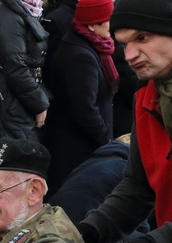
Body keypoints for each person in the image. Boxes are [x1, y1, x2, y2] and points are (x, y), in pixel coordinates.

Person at [78, 0, 172, 243]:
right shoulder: (147, 97)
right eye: (124, 43)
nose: (130, 55)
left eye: (142, 38)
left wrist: (163, 241)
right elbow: (139, 185)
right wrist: (90, 230)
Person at [43, 0, 116, 197]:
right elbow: (85, 109)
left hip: (81, 142)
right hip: (76, 147)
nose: (113, 26)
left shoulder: (89, 45)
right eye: (108, 20)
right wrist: (106, 140)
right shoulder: (80, 55)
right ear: (93, 25)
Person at [0, 0, 49, 142]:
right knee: (18, 159)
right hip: (12, 105)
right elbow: (15, 67)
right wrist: (39, 104)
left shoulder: (27, 12)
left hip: (21, 101)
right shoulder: (11, 18)